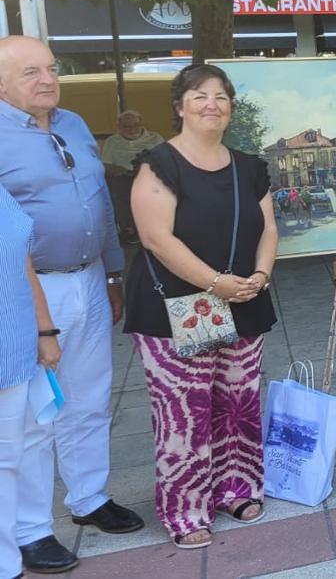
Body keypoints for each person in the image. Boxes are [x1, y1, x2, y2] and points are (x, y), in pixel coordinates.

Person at [0, 35, 144, 574]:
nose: (47, 79)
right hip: (25, 291)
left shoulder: (74, 124)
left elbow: (102, 203)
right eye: (30, 72)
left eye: (52, 68)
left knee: (90, 397)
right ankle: (32, 530)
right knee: (36, 413)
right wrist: (38, 324)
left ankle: (88, 497)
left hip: (87, 279)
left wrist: (112, 269)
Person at [126, 63, 278, 549]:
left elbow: (270, 228)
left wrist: (259, 276)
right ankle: (186, 509)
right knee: (184, 411)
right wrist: (217, 284)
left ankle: (237, 487)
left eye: (221, 96)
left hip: (245, 300)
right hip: (176, 308)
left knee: (238, 404)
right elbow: (155, 237)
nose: (211, 104)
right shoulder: (159, 164)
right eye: (199, 95)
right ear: (180, 106)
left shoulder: (250, 166)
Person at [1, 186, 62, 577]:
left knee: (6, 460)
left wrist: (44, 330)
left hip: (13, 345)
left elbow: (21, 263)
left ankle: (8, 564)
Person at [100, 110, 164, 244]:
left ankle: (153, 228)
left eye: (135, 125)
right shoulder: (112, 141)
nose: (132, 129)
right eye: (126, 126)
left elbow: (166, 161)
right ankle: (128, 228)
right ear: (119, 126)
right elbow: (105, 165)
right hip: (123, 176)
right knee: (118, 187)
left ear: (142, 124)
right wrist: (120, 170)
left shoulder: (155, 138)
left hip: (149, 175)